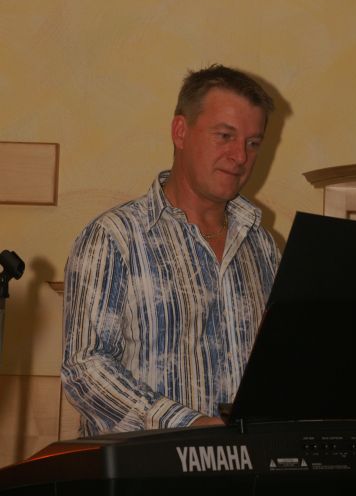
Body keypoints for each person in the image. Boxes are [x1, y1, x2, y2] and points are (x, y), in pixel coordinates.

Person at [61, 64, 280, 436]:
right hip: (143, 464)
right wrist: (186, 424)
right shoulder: (114, 237)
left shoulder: (262, 245)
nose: (240, 156)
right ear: (180, 131)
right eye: (225, 136)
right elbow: (84, 368)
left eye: (253, 142)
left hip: (245, 463)